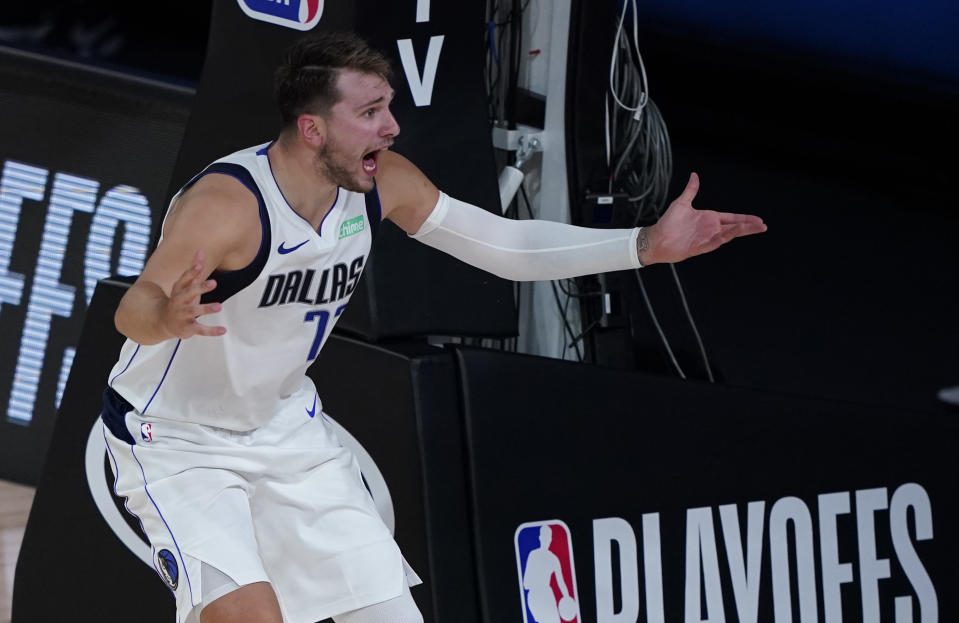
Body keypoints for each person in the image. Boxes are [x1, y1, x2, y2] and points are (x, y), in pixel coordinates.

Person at [100, 31, 766, 623]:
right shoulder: (228, 205)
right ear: (312, 129)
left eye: (388, 106)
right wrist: (165, 314)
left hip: (284, 431)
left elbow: (503, 245)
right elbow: (135, 305)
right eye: (369, 113)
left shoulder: (381, 182)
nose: (391, 127)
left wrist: (643, 244)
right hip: (177, 441)